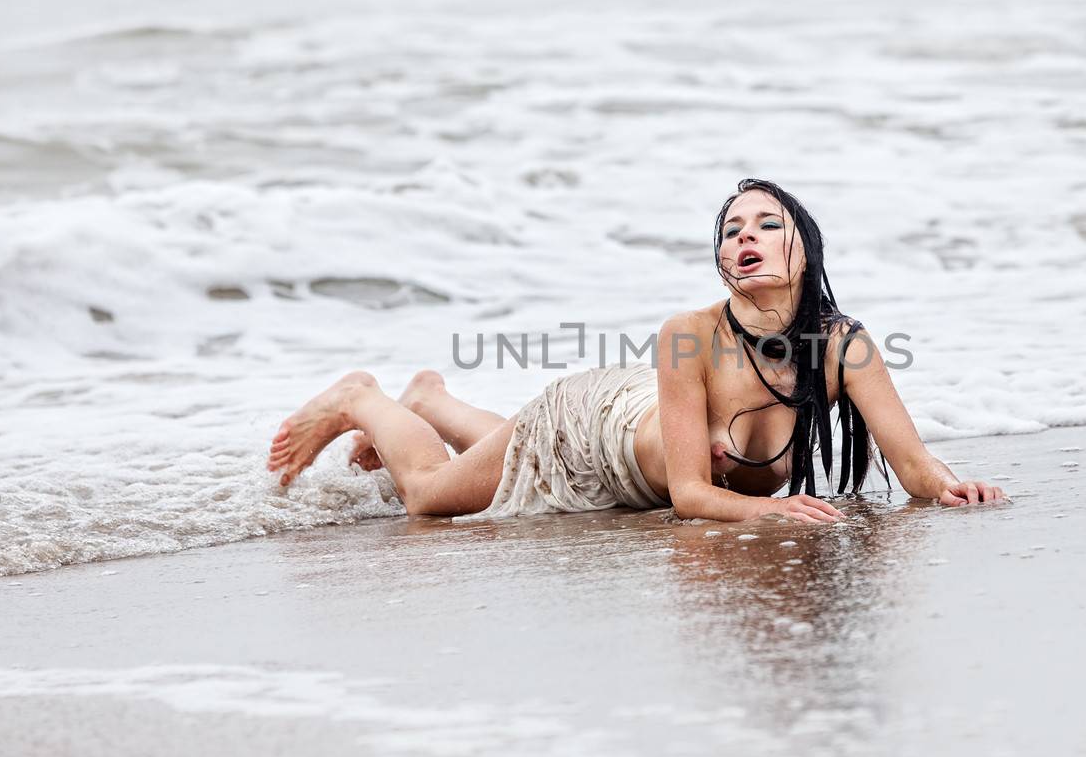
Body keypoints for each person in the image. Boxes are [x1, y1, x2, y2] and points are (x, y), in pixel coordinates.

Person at [266, 178, 1005, 523]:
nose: (744, 236)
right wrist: (769, 515)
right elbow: (690, 495)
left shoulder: (844, 348)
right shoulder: (688, 334)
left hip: (637, 431)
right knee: (429, 498)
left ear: (806, 249)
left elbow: (912, 464)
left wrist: (948, 486)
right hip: (592, 433)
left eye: (766, 224)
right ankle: (360, 396)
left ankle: (430, 400)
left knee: (490, 459)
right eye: (731, 228)